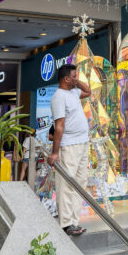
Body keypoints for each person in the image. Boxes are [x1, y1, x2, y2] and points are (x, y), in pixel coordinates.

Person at [47, 64, 92, 237]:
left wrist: (77, 81)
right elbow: (59, 126)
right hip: (69, 145)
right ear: (66, 79)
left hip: (82, 143)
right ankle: (66, 224)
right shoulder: (58, 97)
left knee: (80, 183)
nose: (77, 78)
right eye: (74, 76)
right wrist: (55, 152)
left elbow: (88, 92)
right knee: (66, 185)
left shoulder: (73, 92)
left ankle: (74, 221)